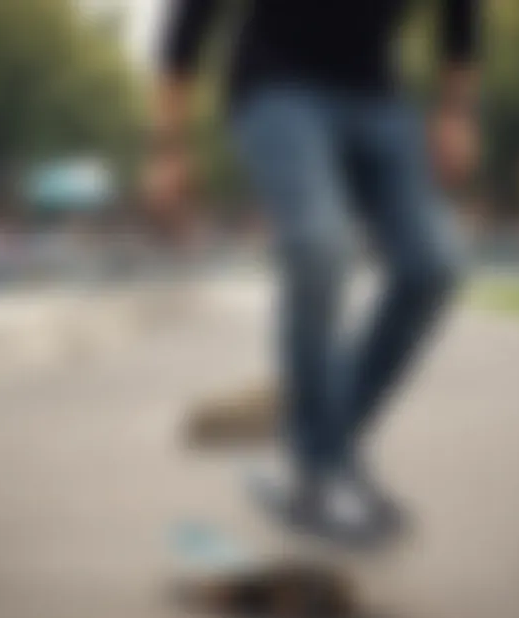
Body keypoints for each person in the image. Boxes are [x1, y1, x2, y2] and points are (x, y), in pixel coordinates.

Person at [152, 0, 481, 545]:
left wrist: (456, 111)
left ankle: (326, 447)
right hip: (275, 89)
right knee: (317, 245)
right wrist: (168, 147)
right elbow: (190, 20)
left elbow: (461, 14)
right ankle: (321, 469)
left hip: (378, 94)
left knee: (433, 264)